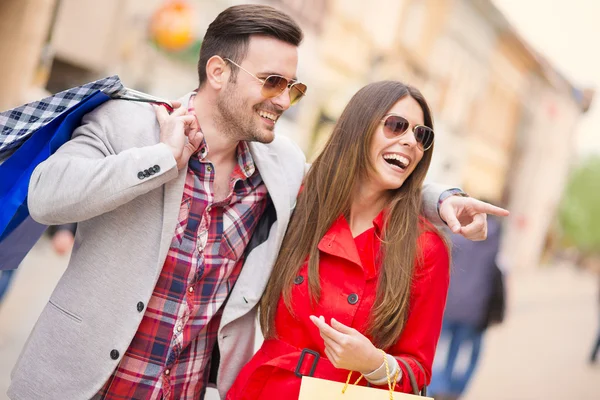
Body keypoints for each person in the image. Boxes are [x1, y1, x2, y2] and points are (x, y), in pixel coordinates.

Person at [8, 5, 507, 400]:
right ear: (219, 71)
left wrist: (441, 198)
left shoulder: (280, 166)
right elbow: (47, 195)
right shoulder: (127, 122)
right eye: (272, 82)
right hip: (82, 385)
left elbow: (355, 178)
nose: (284, 100)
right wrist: (161, 158)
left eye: (292, 86)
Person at [227, 81, 449, 399]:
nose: (411, 142)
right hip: (264, 388)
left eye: (421, 135)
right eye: (397, 126)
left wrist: (373, 363)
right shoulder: (298, 204)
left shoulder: (425, 247)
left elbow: (418, 370)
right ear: (359, 127)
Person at [428, 215, 506, 400]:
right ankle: (453, 391)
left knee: (437, 350)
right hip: (474, 311)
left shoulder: (455, 234)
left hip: (447, 305)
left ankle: (436, 387)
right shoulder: (493, 240)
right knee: (463, 353)